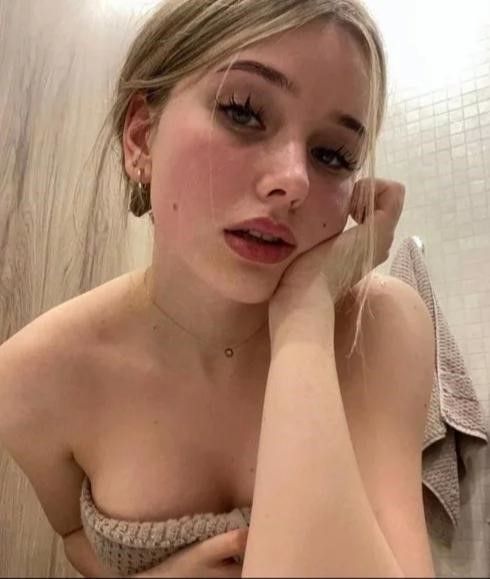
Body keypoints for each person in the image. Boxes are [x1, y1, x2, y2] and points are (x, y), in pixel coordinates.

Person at [0, 0, 436, 577]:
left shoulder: (381, 328)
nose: (294, 181)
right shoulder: (31, 378)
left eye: (333, 155)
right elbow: (73, 535)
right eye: (243, 112)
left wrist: (303, 314)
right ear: (140, 137)